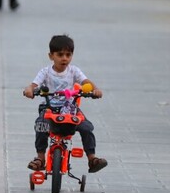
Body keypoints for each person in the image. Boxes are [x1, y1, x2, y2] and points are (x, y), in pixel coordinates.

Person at [23, 34, 108, 174]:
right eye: (60, 54)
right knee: (41, 125)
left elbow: (86, 82)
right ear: (51, 56)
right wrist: (29, 90)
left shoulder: (74, 71)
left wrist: (95, 89)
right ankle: (40, 158)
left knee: (86, 127)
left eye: (68, 55)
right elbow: (33, 85)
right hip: (49, 108)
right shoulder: (45, 72)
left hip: (70, 109)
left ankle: (92, 158)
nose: (64, 58)